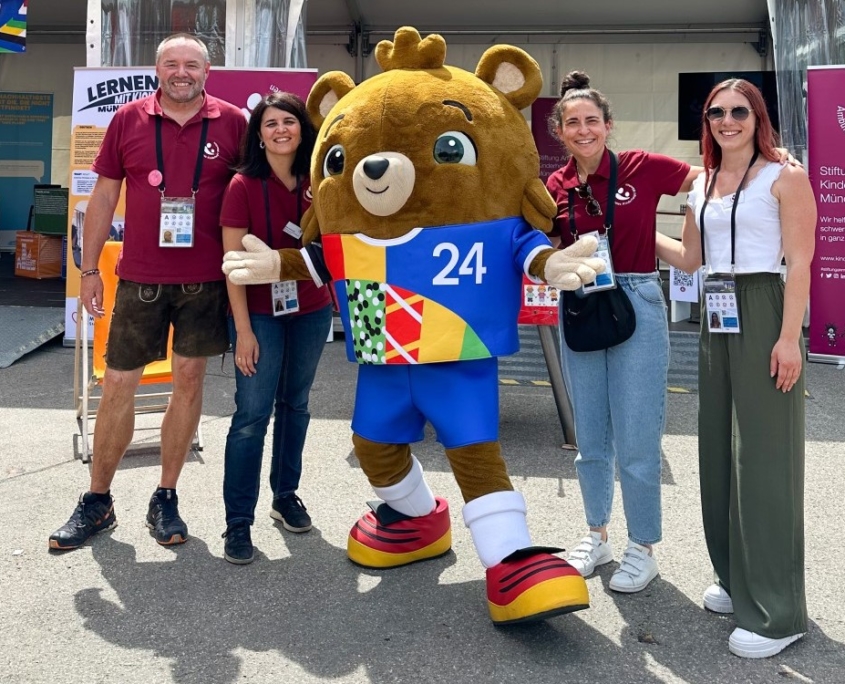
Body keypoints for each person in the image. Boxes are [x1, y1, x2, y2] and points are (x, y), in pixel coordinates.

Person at [49, 33, 247, 551]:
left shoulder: (233, 123)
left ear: (208, 71)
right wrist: (89, 269)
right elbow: (104, 197)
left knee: (188, 380)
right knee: (118, 383)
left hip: (206, 279)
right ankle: (98, 500)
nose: (181, 72)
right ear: (158, 70)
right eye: (171, 64)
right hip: (140, 276)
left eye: (191, 64)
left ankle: (166, 495)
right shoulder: (128, 120)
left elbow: (253, 192)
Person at [655, 78, 815, 658]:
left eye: (739, 111)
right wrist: (628, 233)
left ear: (757, 116)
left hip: (765, 305)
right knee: (719, 451)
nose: (727, 120)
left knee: (765, 457)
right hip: (716, 314)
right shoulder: (700, 181)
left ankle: (778, 611)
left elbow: (800, 264)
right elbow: (691, 259)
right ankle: (735, 578)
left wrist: (789, 339)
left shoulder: (785, 177)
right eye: (717, 111)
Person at [546, 71, 700, 593]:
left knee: (637, 435)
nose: (583, 130)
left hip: (636, 295)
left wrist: (773, 162)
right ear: (560, 132)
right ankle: (597, 534)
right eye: (573, 123)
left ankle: (643, 546)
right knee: (589, 436)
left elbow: (704, 181)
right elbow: (539, 241)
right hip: (581, 301)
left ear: (608, 125)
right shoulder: (557, 185)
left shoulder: (642, 166)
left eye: (592, 120)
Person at [219, 92, 333, 565]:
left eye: (289, 121)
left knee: (296, 406)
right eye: (271, 123)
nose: (281, 130)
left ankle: (285, 496)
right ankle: (238, 522)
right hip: (261, 317)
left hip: (311, 310)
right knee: (251, 416)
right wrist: (243, 331)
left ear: (303, 129)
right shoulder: (242, 186)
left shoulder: (320, 182)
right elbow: (232, 267)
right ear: (258, 133)